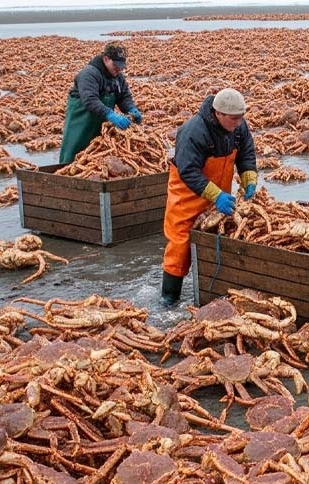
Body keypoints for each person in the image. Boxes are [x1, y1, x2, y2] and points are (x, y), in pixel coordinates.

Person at [160, 88, 258, 307]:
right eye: (234, 119)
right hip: (187, 196)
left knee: (219, 239)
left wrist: (249, 178)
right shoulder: (194, 131)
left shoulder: (239, 127)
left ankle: (212, 292)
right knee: (180, 244)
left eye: (241, 118)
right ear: (218, 113)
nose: (238, 123)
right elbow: (188, 171)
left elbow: (247, 155)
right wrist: (217, 195)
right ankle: (168, 298)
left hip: (220, 197)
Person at [58, 42, 142, 165]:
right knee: (73, 157)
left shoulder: (118, 77)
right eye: (116, 65)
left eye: (122, 66)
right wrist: (110, 114)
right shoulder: (89, 74)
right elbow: (90, 100)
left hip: (100, 125)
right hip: (80, 123)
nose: (119, 69)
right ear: (106, 59)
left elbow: (124, 96)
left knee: (96, 156)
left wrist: (131, 108)